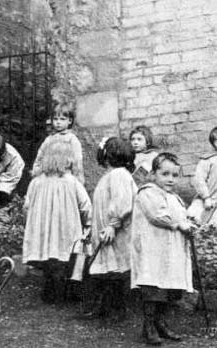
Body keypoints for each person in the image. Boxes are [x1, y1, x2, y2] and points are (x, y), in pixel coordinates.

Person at [131, 153, 196, 345]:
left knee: (169, 287)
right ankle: (149, 326)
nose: (170, 179)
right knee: (153, 286)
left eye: (174, 175)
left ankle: (161, 323)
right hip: (153, 249)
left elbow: (180, 216)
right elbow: (157, 215)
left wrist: (189, 223)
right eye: (165, 174)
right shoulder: (147, 192)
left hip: (171, 250)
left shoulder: (174, 197)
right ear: (153, 174)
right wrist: (180, 224)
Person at [22, 141, 91, 304]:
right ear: (67, 160)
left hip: (43, 228)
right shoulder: (71, 181)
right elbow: (86, 205)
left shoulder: (36, 182)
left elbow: (26, 206)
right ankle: (62, 294)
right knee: (62, 260)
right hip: (64, 227)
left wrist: (30, 223)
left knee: (48, 260)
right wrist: (89, 223)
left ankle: (49, 292)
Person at [84, 137, 137, 319]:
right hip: (104, 228)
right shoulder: (110, 175)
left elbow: (123, 204)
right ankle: (104, 307)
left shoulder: (119, 175)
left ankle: (117, 309)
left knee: (115, 270)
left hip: (114, 230)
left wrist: (113, 225)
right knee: (106, 268)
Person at [32, 103, 84, 184]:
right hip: (49, 179)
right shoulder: (49, 140)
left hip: (66, 179)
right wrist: (37, 173)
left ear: (69, 121)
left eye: (62, 119)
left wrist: (78, 181)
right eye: (55, 119)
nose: (58, 122)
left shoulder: (72, 140)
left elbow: (77, 162)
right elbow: (39, 157)